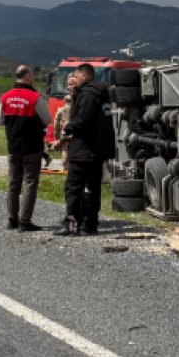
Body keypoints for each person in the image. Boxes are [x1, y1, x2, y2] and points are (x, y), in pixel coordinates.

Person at [57, 63, 115, 236]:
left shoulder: (88, 95)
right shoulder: (102, 95)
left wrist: (69, 125)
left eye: (76, 75)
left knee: (73, 188)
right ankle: (90, 224)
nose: (75, 79)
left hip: (83, 151)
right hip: (97, 151)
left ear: (84, 76)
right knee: (93, 189)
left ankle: (72, 224)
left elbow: (83, 121)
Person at [0, 66, 51, 232]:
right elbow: (47, 119)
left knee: (13, 183)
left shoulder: (5, 97)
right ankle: (24, 221)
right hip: (31, 147)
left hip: (13, 146)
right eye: (32, 76)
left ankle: (11, 219)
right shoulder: (35, 97)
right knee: (29, 183)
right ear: (28, 78)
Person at [51, 94, 73, 171]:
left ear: (65, 101)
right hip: (74, 133)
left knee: (65, 150)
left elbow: (56, 123)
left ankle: (66, 166)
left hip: (64, 133)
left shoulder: (60, 110)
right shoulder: (76, 110)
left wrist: (56, 134)